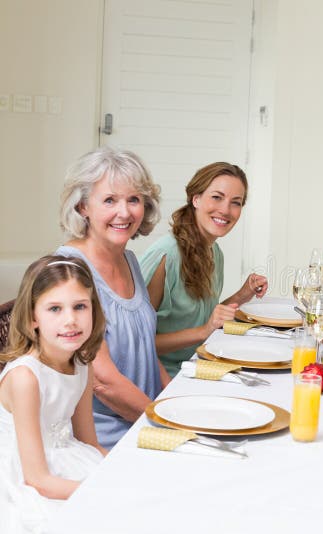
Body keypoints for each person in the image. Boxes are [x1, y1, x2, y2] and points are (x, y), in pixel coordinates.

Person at [57, 146, 168, 449]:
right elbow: (103, 382)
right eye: (109, 200)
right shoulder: (70, 271)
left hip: (144, 419)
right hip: (104, 439)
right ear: (83, 207)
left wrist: (176, 402)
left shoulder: (128, 259)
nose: (124, 212)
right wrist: (168, 423)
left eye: (133, 199)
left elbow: (146, 349)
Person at [0, 256, 106, 533]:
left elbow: (89, 442)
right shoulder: (25, 378)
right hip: (23, 473)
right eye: (55, 309)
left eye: (80, 306)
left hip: (67, 456)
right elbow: (37, 479)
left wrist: (119, 473)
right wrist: (99, 492)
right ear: (33, 317)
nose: (70, 320)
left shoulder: (83, 363)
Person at [139, 162, 267, 376]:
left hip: (198, 364)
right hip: (161, 377)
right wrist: (205, 331)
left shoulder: (214, 252)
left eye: (235, 202)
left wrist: (242, 295)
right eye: (217, 197)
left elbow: (206, 320)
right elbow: (137, 345)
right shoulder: (165, 256)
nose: (225, 210)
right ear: (195, 199)